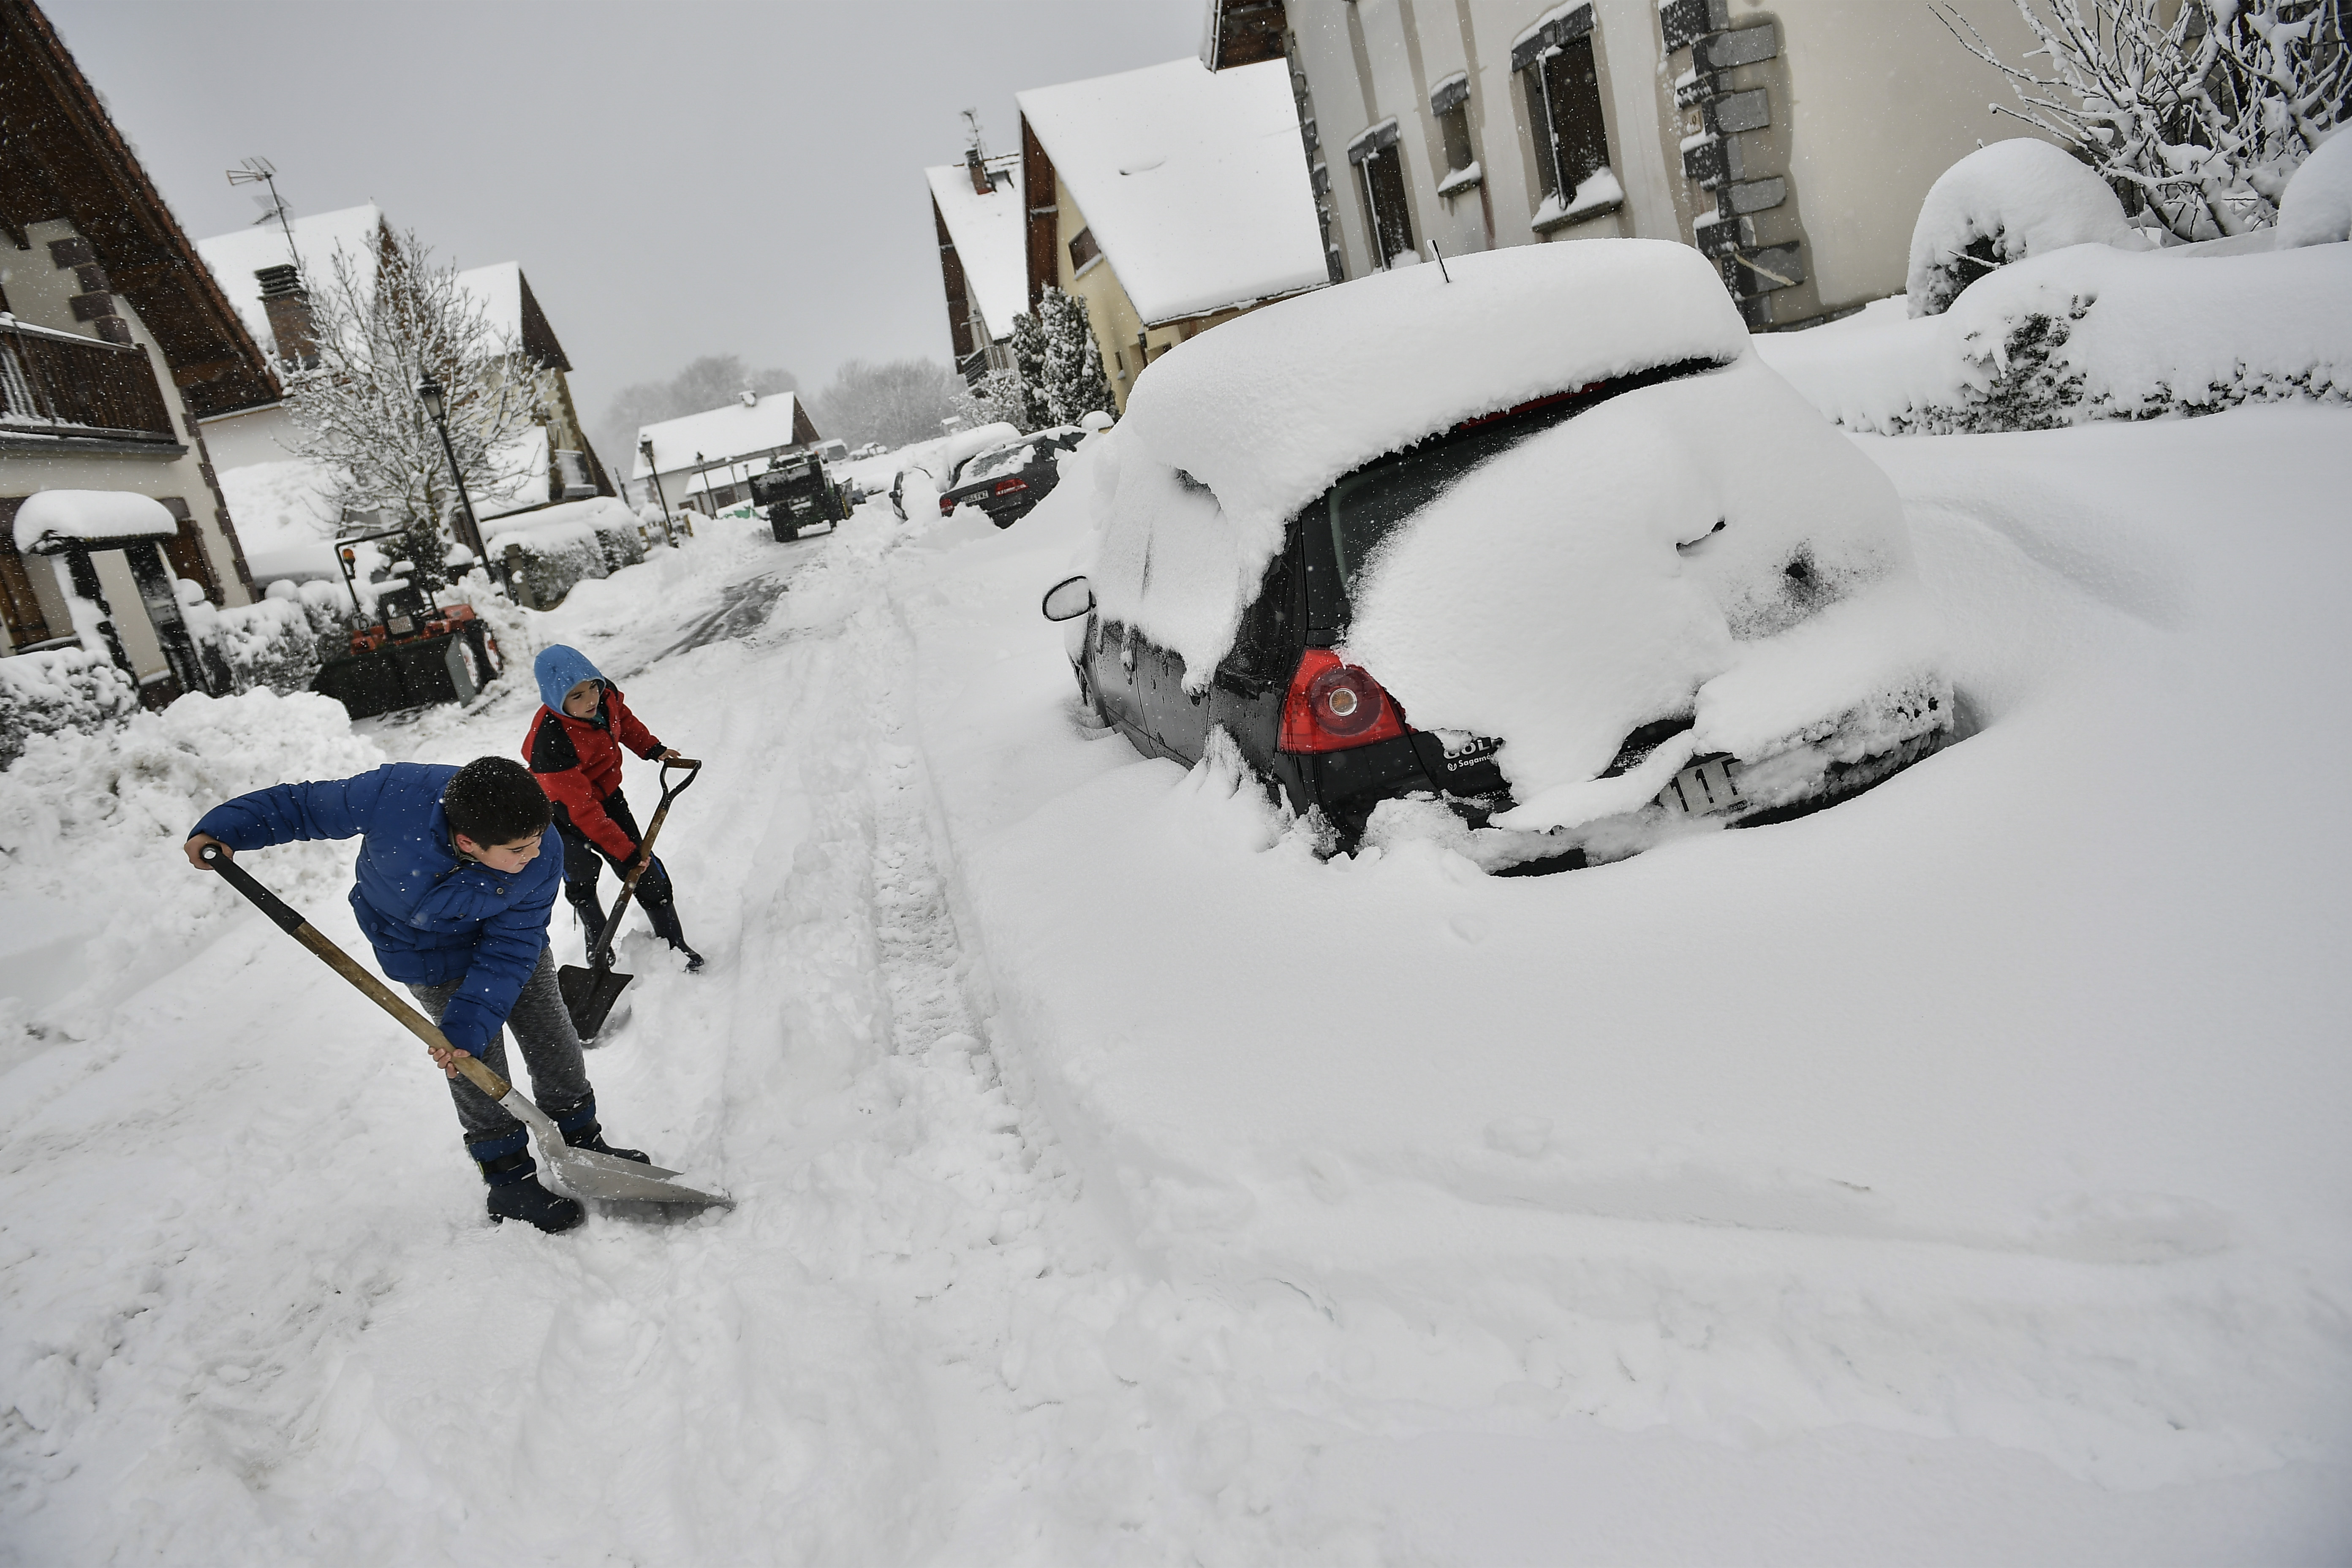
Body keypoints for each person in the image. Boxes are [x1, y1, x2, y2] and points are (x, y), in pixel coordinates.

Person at [185, 756, 646, 1234]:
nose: (534, 853)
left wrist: (471, 1020)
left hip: (509, 940)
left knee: (552, 1032)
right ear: (468, 841)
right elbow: (303, 806)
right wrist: (226, 828)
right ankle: (509, 1181)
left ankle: (582, 1139)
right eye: (518, 848)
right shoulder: (396, 794)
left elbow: (511, 947)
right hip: (419, 947)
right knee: (475, 1066)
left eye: (536, 840)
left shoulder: (542, 850)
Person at [523, 644, 703, 970]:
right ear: (555, 698)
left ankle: (673, 942)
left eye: (592, 686)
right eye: (577, 696)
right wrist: (624, 851)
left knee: (644, 868)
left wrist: (652, 748)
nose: (590, 698)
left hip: (605, 793)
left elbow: (626, 721)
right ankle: (596, 934)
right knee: (581, 873)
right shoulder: (550, 743)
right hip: (561, 809)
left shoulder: (605, 697)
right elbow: (583, 811)